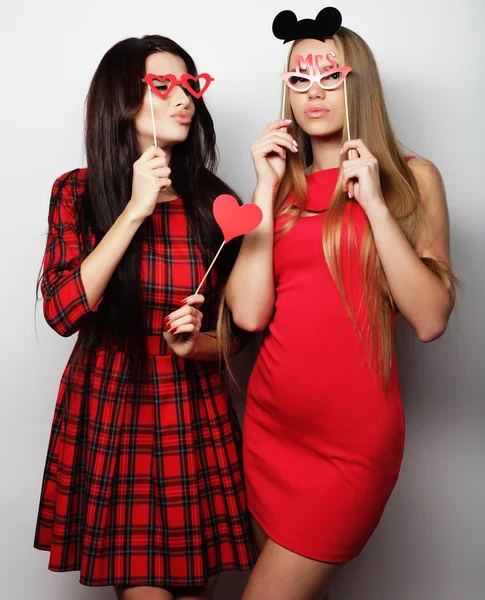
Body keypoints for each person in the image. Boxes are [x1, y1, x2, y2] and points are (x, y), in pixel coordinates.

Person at [221, 19, 456, 600]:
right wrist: (262, 190)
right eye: (299, 78)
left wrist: (374, 203)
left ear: (360, 84)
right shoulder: (279, 188)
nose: (314, 91)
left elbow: (429, 320)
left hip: (350, 449)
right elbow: (249, 315)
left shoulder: (411, 179)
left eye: (331, 75)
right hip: (271, 432)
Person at [34, 35, 256, 600]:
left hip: (192, 415)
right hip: (113, 408)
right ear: (121, 101)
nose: (184, 99)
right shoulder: (78, 193)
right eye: (164, 86)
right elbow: (62, 312)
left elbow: (239, 336)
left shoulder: (215, 204)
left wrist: (200, 339)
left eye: (190, 85)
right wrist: (134, 210)